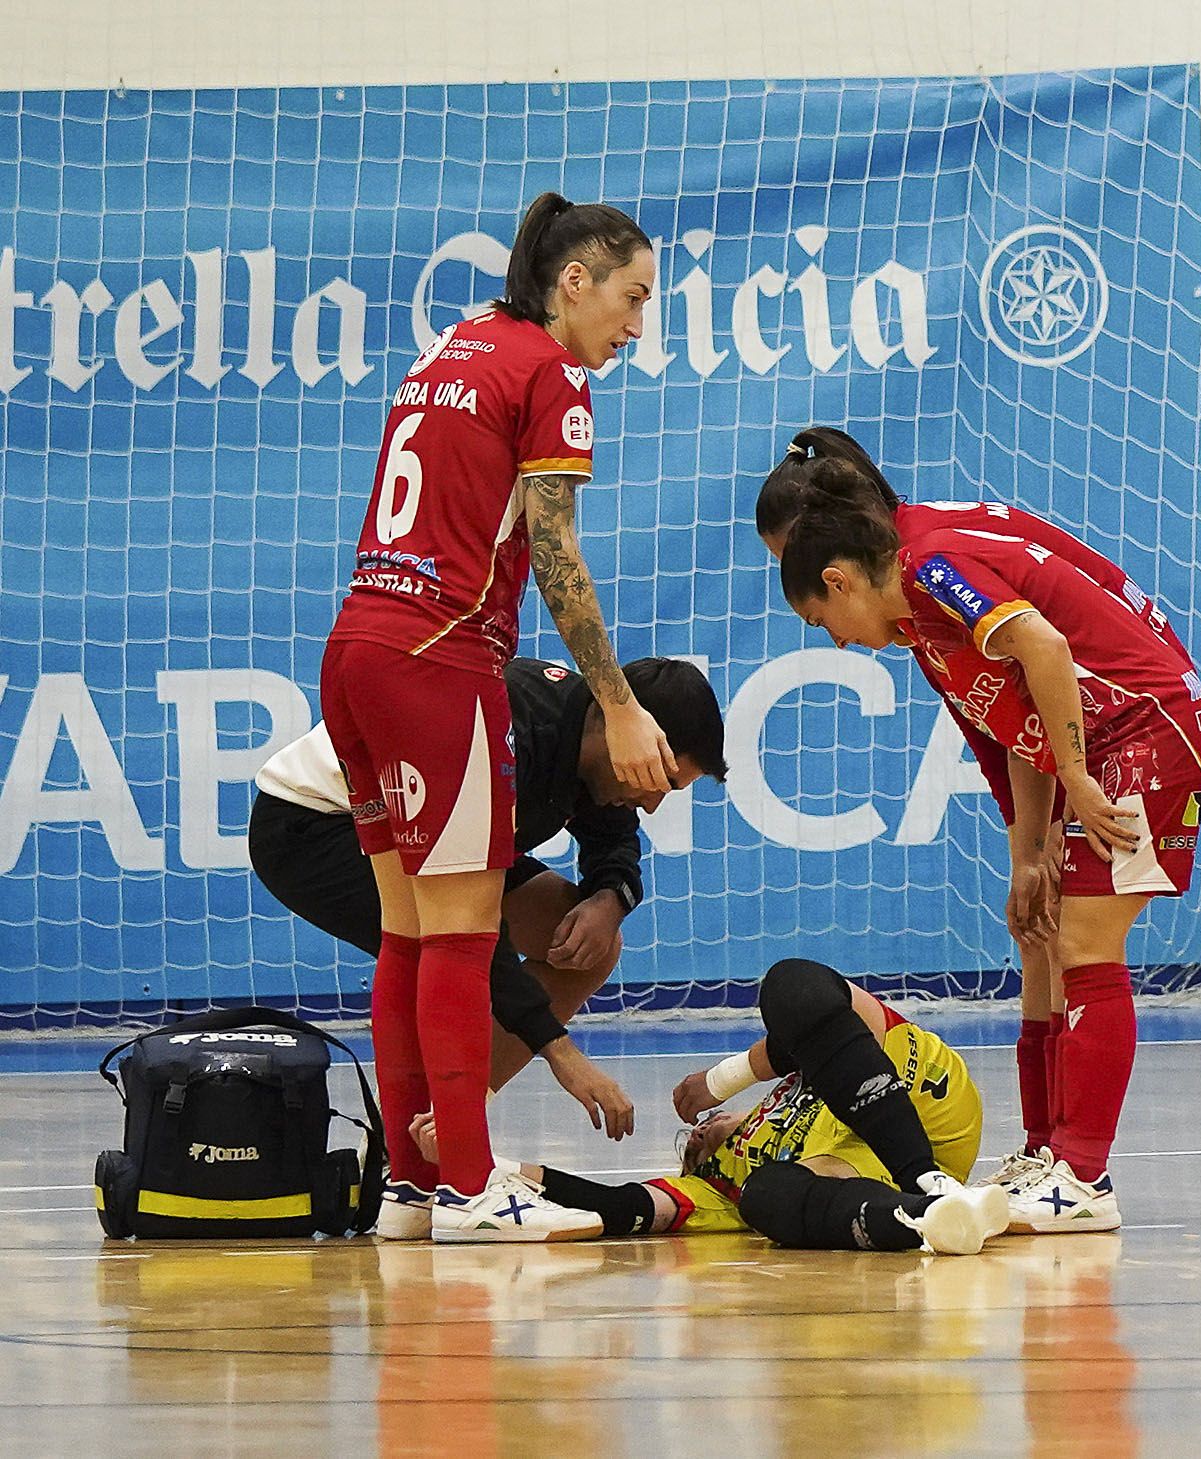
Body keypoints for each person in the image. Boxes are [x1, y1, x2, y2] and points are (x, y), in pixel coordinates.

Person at [317, 192, 673, 1241]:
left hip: (355, 651)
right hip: (437, 656)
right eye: (632, 296)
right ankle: (471, 1188)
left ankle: (412, 1188)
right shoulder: (552, 373)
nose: (637, 325)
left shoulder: (454, 343)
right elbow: (556, 555)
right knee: (462, 940)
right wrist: (620, 702)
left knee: (406, 934)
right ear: (576, 282)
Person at [770, 440, 1201, 1234]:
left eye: (821, 619)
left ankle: (1083, 1176)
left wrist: (1078, 781)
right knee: (1042, 935)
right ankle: (1047, 1153)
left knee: (1085, 941)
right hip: (1109, 734)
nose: (835, 641)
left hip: (1142, 728)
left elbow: (1044, 647)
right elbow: (1012, 726)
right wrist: (1029, 853)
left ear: (836, 575)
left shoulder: (928, 567)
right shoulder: (917, 607)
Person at [250, 655, 727, 1236]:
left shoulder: (596, 748)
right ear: (626, 730)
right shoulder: (514, 731)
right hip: (317, 826)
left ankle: (438, 1140)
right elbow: (474, 938)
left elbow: (613, 847)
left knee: (591, 946)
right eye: (661, 780)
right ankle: (454, 1176)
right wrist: (560, 1052)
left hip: (413, 824)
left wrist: (610, 899)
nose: (655, 803)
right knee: (438, 948)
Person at [500, 958, 1007, 1255]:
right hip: (862, 1171)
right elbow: (619, 1205)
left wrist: (723, 1079)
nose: (697, 1134)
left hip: (910, 1079)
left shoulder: (794, 1081)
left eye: (696, 1130)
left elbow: (817, 1020)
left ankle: (925, 1180)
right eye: (691, 1147)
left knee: (791, 983)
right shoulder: (716, 1183)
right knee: (765, 1198)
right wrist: (486, 1164)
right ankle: (937, 1215)